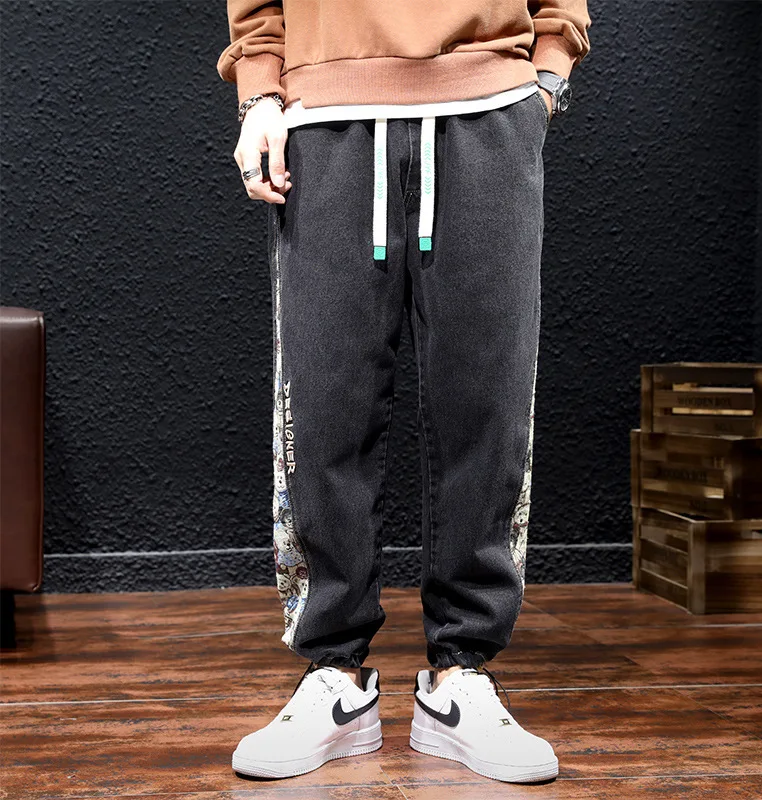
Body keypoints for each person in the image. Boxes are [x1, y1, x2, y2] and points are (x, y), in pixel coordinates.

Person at [217, 0, 591, 784]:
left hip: (488, 110)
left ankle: (461, 676)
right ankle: (334, 675)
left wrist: (546, 79)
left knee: (486, 407)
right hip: (327, 121)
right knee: (323, 408)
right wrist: (260, 94)